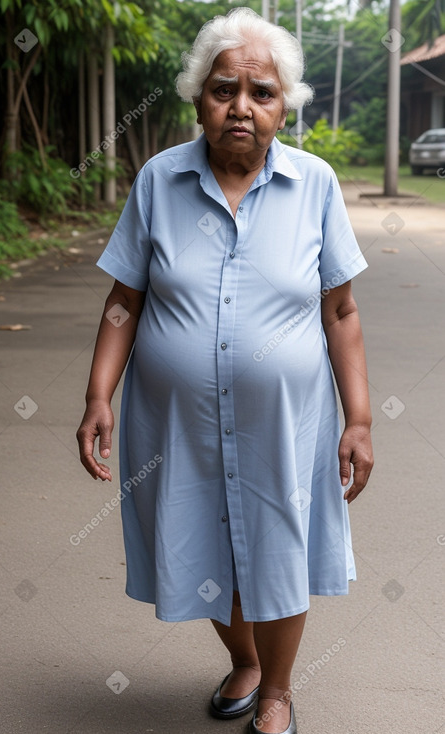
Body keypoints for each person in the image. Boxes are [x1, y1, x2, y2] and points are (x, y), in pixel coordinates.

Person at [76, 8, 374, 734]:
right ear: (197, 98)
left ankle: (276, 689)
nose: (240, 105)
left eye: (261, 92)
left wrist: (359, 419)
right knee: (195, 541)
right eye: (223, 88)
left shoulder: (314, 184)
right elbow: (124, 301)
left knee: (278, 546)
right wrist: (97, 397)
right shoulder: (158, 181)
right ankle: (244, 659)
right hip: (175, 423)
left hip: (285, 422)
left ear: (282, 105)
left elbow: (339, 312)